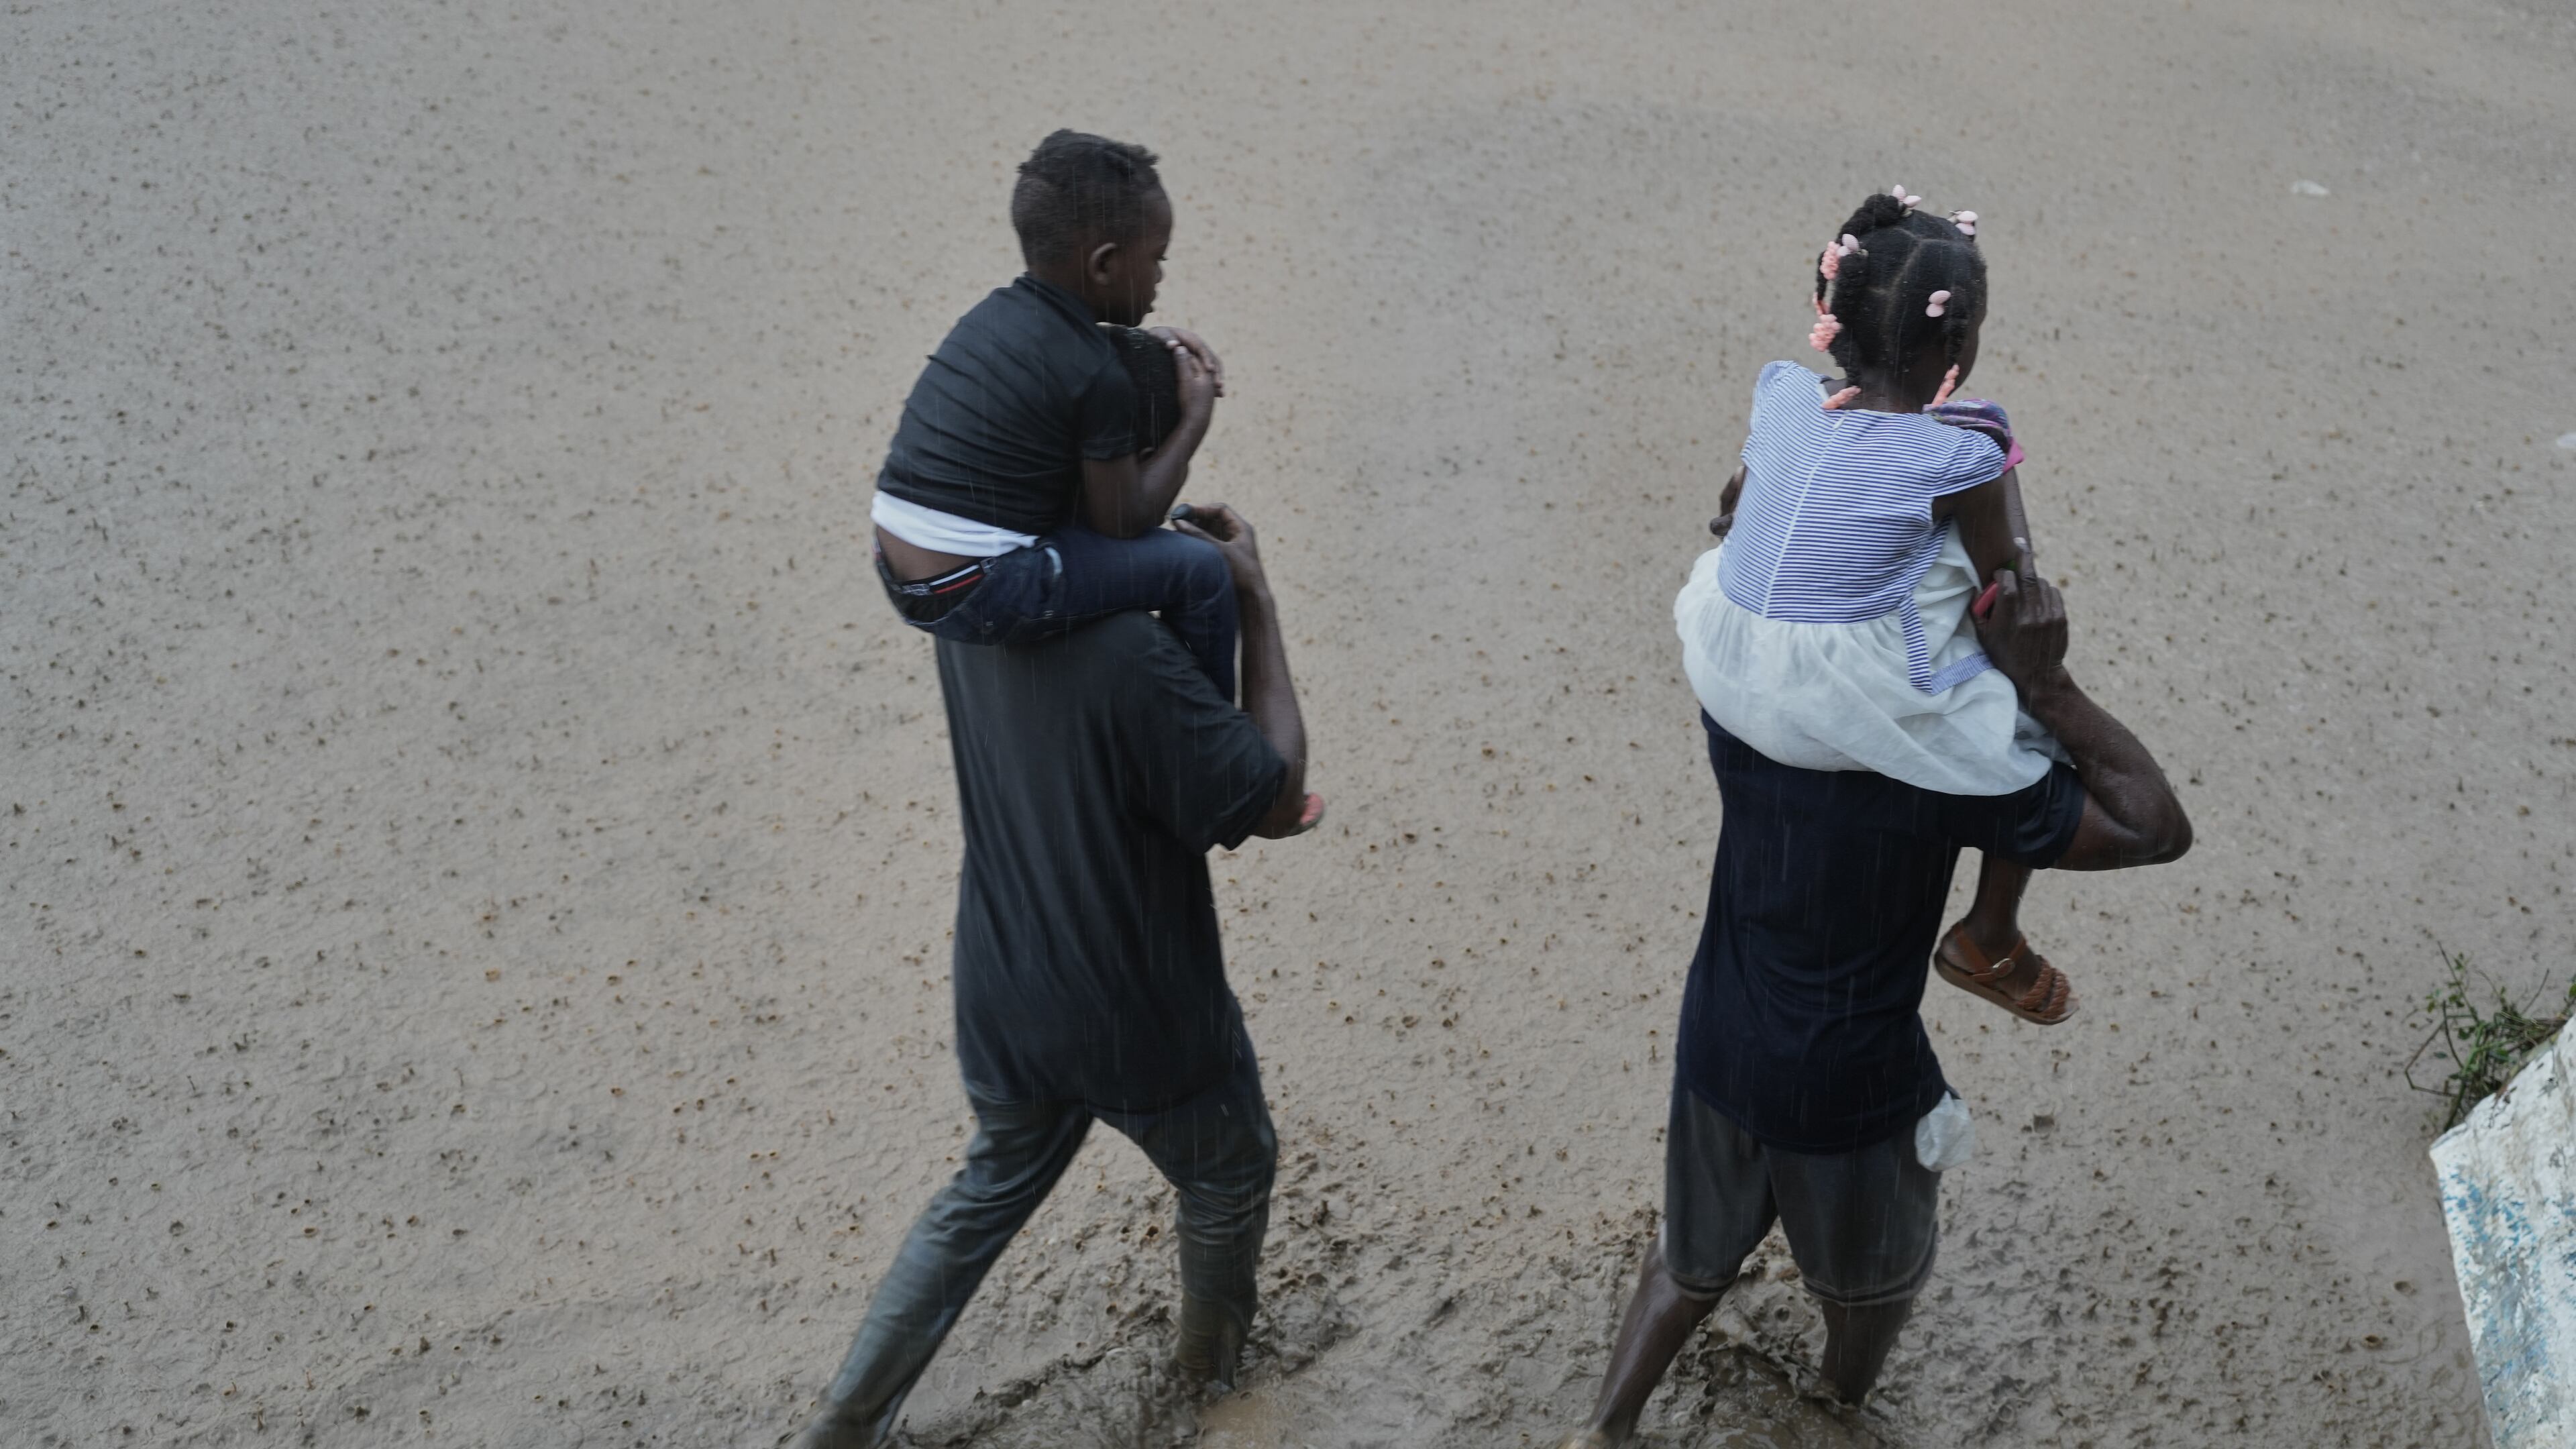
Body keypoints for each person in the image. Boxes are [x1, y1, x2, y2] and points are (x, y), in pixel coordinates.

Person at [1557, 549, 2192, 1446]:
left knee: (1688, 1263)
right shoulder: (1940, 773)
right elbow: (2152, 826)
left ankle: (1603, 1430)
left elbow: (1754, 540)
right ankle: (1835, 1407)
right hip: (1849, 1092)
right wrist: (2048, 687)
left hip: (1717, 1046)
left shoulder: (1740, 710)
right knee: (1870, 1292)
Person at [786, 505, 1317, 1449]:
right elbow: (1270, 798)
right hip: (1140, 1005)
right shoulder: (1131, 656)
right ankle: (1209, 1381)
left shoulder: (966, 611)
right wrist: (1256, 597)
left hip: (1002, 981)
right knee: (1231, 1172)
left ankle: (841, 1427)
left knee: (982, 1195)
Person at [1675, 186, 2076, 1024]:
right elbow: (2011, 594)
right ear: (1959, 338)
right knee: (2028, 713)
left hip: (1724, 651)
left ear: (1832, 309)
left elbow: (1732, 500)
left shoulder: (1785, 393)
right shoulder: (1968, 454)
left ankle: (1987, 932)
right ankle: (1989, 934)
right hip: (1826, 703)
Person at [870, 128, 1242, 699]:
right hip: (976, 589)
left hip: (901, 567)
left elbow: (1069, 364)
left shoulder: (995, 317)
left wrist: (1144, 341)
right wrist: (1193, 421)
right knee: (1200, 570)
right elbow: (1124, 520)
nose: (1162, 277)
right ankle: (1214, 747)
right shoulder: (1094, 372)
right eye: (1157, 259)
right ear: (1105, 266)